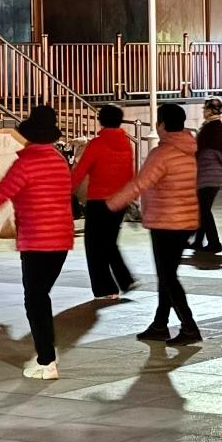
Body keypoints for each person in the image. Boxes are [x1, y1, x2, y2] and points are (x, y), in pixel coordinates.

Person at [0, 105, 73, 380]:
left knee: (35, 299)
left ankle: (47, 361)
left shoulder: (25, 163)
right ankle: (46, 351)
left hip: (37, 240)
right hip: (61, 240)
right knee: (40, 296)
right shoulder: (59, 161)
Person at [108, 102, 202, 346]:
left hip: (166, 222)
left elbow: (141, 183)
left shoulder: (163, 153)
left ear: (161, 125)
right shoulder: (188, 149)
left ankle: (189, 327)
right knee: (166, 275)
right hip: (185, 220)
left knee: (168, 277)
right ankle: (160, 324)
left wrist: (113, 203)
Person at [70, 104, 136, 300]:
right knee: (109, 241)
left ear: (101, 120)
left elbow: (79, 172)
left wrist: (65, 192)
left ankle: (105, 288)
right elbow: (128, 173)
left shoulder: (97, 144)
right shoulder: (126, 143)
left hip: (98, 201)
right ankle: (124, 279)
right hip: (120, 201)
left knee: (94, 245)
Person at [190, 96, 222, 254]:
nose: (204, 111)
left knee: (204, 210)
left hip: (209, 173)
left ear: (211, 111)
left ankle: (214, 243)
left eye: (205, 109)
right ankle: (199, 241)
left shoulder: (213, 127)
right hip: (211, 173)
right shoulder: (214, 126)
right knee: (203, 209)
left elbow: (202, 149)